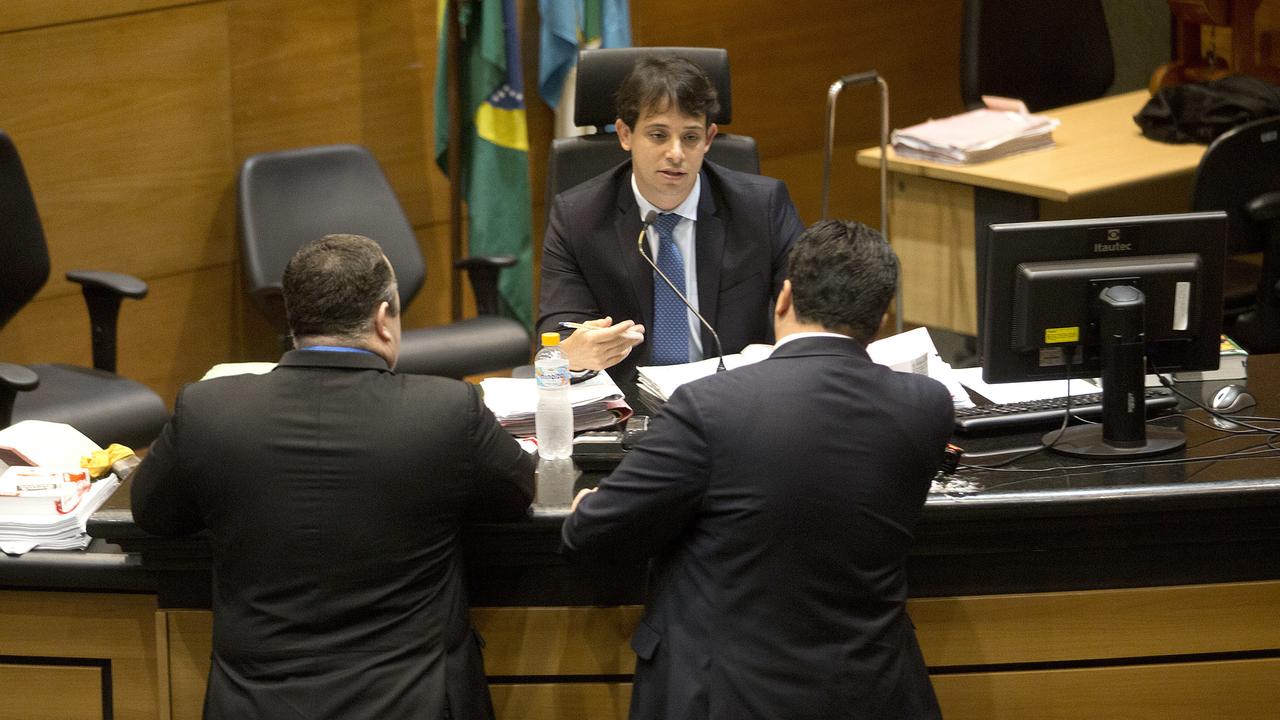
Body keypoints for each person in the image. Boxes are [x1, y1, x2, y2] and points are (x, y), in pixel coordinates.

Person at [131, 234, 535, 720]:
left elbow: (153, 513)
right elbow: (516, 496)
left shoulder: (208, 408)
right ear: (384, 318)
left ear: (294, 318)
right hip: (416, 701)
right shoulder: (447, 410)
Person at [562, 220, 954, 720]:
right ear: (882, 316)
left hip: (723, 696)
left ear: (784, 298)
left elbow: (594, 537)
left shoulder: (709, 405)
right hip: (870, 694)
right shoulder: (926, 406)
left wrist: (587, 507)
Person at [538, 54, 804, 383]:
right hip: (628, 410)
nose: (676, 153)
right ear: (624, 134)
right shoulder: (578, 217)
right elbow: (559, 333)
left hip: (733, 400)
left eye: (690, 137)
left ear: (708, 139)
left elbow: (807, 314)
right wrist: (576, 354)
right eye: (658, 135)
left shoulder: (762, 208)